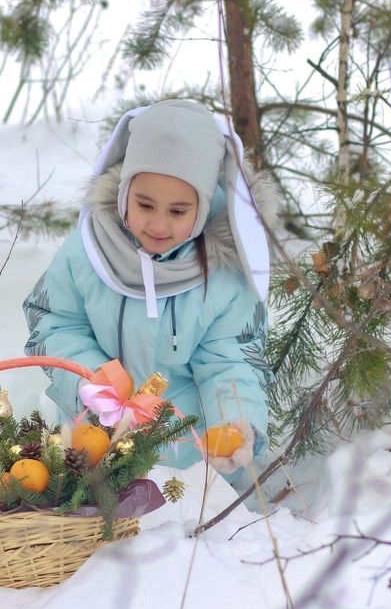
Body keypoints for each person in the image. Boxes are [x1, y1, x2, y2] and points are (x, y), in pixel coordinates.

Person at [22, 99, 276, 483]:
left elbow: (231, 361)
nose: (158, 224)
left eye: (178, 211)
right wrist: (91, 387)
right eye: (144, 205)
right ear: (125, 192)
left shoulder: (224, 273)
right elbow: (54, 323)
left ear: (203, 207)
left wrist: (235, 425)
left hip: (190, 463)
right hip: (92, 448)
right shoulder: (87, 251)